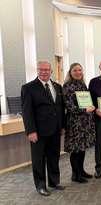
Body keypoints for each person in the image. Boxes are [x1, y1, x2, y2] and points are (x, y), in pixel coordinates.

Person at [21, 61, 65, 196]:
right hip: (38, 131)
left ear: (51, 71)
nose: (44, 72)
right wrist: (31, 131)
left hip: (55, 130)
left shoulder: (57, 86)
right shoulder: (29, 88)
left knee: (54, 156)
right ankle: (40, 185)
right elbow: (27, 112)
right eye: (42, 70)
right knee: (38, 159)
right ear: (37, 71)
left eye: (47, 70)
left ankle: (54, 181)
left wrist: (62, 126)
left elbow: (60, 108)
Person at [63, 63, 96, 183]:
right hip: (75, 123)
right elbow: (69, 107)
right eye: (75, 70)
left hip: (85, 122)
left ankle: (81, 171)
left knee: (82, 148)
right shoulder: (67, 86)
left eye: (80, 70)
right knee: (75, 150)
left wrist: (91, 106)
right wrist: (84, 109)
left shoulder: (82, 84)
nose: (78, 72)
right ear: (70, 72)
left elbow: (87, 101)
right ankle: (75, 175)